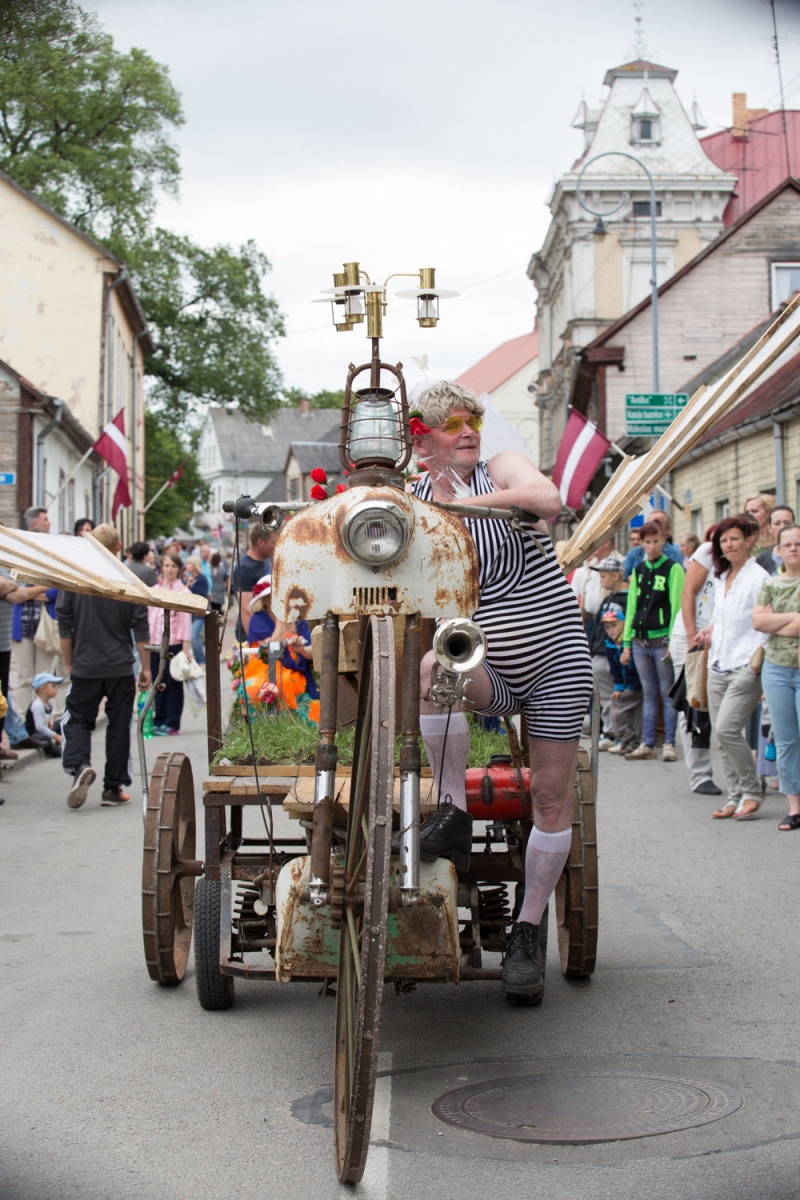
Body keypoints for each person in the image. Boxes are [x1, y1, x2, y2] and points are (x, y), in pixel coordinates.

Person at [410, 379, 593, 1004]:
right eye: (454, 423)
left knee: (548, 795)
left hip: (556, 656)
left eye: (474, 420)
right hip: (487, 659)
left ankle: (526, 930)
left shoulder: (498, 469)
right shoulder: (408, 493)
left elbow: (549, 499)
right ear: (424, 433)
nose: (468, 431)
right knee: (435, 670)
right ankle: (454, 811)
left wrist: (463, 505)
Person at [57, 523, 151, 809]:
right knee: (120, 725)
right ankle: (113, 787)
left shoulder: (76, 577)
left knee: (76, 718)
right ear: (119, 548)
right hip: (120, 665)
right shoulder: (127, 578)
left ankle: (79, 766)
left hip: (86, 664)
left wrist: (69, 663)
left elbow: (64, 623)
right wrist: (145, 667)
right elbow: (141, 627)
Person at [697, 516, 769, 820]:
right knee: (723, 736)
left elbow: (765, 622)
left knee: (727, 729)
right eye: (724, 541)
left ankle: (752, 791)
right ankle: (735, 796)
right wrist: (711, 630)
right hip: (718, 663)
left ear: (748, 541)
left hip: (745, 665)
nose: (729, 544)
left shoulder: (760, 578)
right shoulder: (722, 576)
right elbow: (726, 617)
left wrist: (757, 661)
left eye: (735, 539)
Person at [621, 521, 684, 761]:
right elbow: (631, 608)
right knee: (648, 693)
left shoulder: (674, 568)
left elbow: (676, 606)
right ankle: (647, 742)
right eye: (647, 542)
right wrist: (626, 643)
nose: (652, 546)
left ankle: (669, 742)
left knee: (666, 692)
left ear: (664, 540)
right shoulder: (638, 569)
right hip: (639, 641)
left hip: (662, 640)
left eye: (656, 541)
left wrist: (673, 640)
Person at [752, 524, 800, 831]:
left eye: (799, 543)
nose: (794, 548)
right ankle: (795, 806)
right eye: (788, 544)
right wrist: (794, 619)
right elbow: (758, 621)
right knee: (785, 739)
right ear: (778, 550)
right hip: (777, 669)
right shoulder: (769, 584)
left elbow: (768, 622)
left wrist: (775, 622)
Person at [670, 525, 721, 796]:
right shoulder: (708, 552)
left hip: (720, 639)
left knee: (719, 703)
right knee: (694, 703)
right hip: (691, 636)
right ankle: (700, 775)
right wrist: (691, 637)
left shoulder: (750, 564)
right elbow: (688, 592)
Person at [0, 571, 47, 762]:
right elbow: (10, 591)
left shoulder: (8, 566)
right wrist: (11, 587)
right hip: (18, 632)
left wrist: (11, 589)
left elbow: (16, 593)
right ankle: (20, 732)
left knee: (3, 694)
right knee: (21, 682)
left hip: (5, 640)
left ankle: (20, 732)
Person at [11, 506, 52, 715]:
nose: (49, 523)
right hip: (22, 624)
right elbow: (15, 593)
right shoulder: (16, 560)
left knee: (44, 676)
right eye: (45, 520)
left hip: (44, 623)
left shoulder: (49, 562)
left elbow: (55, 588)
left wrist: (29, 591)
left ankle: (42, 720)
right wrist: (43, 586)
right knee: (24, 676)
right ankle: (24, 720)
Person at [148, 552, 193, 736]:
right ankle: (159, 719)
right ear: (161, 567)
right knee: (157, 682)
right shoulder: (154, 590)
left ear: (179, 569)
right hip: (155, 643)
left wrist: (186, 646)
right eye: (166, 565)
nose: (169, 569)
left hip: (173, 643)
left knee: (172, 683)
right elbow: (150, 616)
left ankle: (172, 722)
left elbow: (185, 621)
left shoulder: (183, 592)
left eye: (173, 566)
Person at [587, 554, 627, 749]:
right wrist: (592, 649)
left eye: (603, 576)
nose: (600, 580)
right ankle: (609, 732)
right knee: (602, 698)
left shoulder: (627, 600)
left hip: (616, 654)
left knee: (617, 696)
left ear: (616, 576)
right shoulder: (606, 600)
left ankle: (621, 734)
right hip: (600, 653)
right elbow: (598, 629)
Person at [600, 603, 643, 756]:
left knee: (618, 708)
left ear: (624, 624)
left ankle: (627, 738)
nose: (610, 630)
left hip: (636, 685)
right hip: (626, 685)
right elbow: (615, 670)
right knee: (621, 708)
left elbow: (637, 667)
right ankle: (627, 741)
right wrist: (618, 686)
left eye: (614, 625)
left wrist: (630, 685)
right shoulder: (610, 645)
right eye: (607, 627)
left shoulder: (629, 643)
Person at [232, 526, 278, 641]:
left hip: (268, 628)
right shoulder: (245, 568)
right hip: (254, 633)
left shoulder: (264, 561)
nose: (275, 545)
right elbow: (245, 609)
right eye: (273, 542)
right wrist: (256, 643)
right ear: (260, 543)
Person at [623, 509, 683, 580]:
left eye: (657, 524)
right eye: (649, 524)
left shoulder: (673, 554)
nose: (652, 528)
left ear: (667, 529)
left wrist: (635, 579)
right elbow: (623, 578)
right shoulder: (635, 552)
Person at [25, 672, 63, 757]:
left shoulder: (48, 704)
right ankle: (54, 751)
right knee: (44, 737)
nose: (56, 688)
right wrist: (56, 736)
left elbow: (45, 717)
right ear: (43, 689)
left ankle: (59, 744)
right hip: (34, 734)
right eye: (53, 686)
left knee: (62, 723)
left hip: (43, 729)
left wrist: (49, 722)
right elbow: (39, 727)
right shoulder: (37, 705)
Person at [184, 555, 209, 666]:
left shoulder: (201, 579)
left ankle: (202, 661)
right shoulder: (189, 579)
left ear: (194, 566)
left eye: (189, 564)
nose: (187, 566)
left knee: (194, 637)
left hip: (198, 613)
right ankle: (197, 660)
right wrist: (188, 584)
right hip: (189, 613)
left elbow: (200, 596)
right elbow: (184, 593)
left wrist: (190, 587)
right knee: (190, 638)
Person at [756, 505, 795, 575]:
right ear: (769, 528)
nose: (782, 527)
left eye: (787, 523)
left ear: (794, 525)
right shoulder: (762, 558)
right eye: (777, 523)